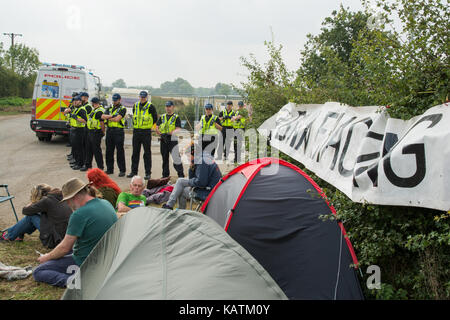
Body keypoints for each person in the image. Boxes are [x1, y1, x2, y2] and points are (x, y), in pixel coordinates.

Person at [33, 178, 117, 287]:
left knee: (39, 271)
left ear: (75, 197)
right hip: (108, 255)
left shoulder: (79, 214)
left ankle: (75, 282)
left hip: (88, 261)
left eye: (67, 200)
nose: (68, 204)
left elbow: (64, 248)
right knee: (58, 254)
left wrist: (46, 257)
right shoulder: (106, 203)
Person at [0, 184, 72, 249]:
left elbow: (25, 211)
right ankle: (18, 234)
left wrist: (34, 202)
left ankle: (8, 236)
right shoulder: (59, 196)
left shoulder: (46, 201)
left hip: (54, 240)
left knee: (31, 217)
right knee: (36, 214)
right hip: (66, 236)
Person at [162, 143, 222, 210]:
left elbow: (201, 182)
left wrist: (190, 181)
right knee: (181, 185)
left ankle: (171, 207)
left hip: (209, 193)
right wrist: (191, 167)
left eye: (188, 156)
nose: (187, 158)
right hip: (213, 190)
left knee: (180, 183)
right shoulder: (203, 157)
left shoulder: (202, 161)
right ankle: (175, 208)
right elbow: (193, 178)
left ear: (193, 153)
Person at [127, 91, 158, 180]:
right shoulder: (135, 105)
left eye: (144, 97)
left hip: (146, 132)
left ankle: (148, 173)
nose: (142, 98)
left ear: (146, 97)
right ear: (139, 97)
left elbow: (155, 118)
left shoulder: (150, 106)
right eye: (141, 97)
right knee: (135, 152)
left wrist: (152, 128)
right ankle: (134, 171)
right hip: (136, 132)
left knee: (147, 153)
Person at [156, 100, 184, 178]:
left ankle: (180, 175)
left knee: (176, 158)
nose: (168, 108)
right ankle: (165, 175)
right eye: (167, 107)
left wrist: (168, 133)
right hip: (163, 140)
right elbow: (157, 126)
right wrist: (159, 132)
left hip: (172, 140)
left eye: (169, 106)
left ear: (173, 107)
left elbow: (178, 129)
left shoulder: (176, 117)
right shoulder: (162, 117)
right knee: (164, 159)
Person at [102, 93, 127, 177]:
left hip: (118, 132)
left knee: (120, 151)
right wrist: (112, 116)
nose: (114, 102)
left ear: (120, 100)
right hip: (109, 131)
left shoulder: (122, 109)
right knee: (109, 151)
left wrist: (108, 117)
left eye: (116, 100)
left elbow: (117, 119)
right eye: (113, 100)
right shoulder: (109, 107)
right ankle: (110, 169)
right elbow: (102, 116)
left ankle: (122, 170)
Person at [82, 97, 105, 171]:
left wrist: (102, 132)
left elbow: (102, 123)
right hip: (90, 131)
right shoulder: (94, 110)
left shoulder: (100, 111)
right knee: (88, 149)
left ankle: (100, 167)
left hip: (96, 132)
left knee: (96, 150)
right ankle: (88, 165)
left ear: (94, 103)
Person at [67, 95, 87, 170]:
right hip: (74, 129)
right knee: (75, 148)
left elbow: (85, 121)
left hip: (79, 130)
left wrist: (76, 118)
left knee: (79, 148)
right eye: (74, 100)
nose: (74, 102)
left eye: (76, 100)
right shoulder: (76, 109)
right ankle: (76, 162)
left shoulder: (82, 109)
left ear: (80, 101)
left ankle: (80, 164)